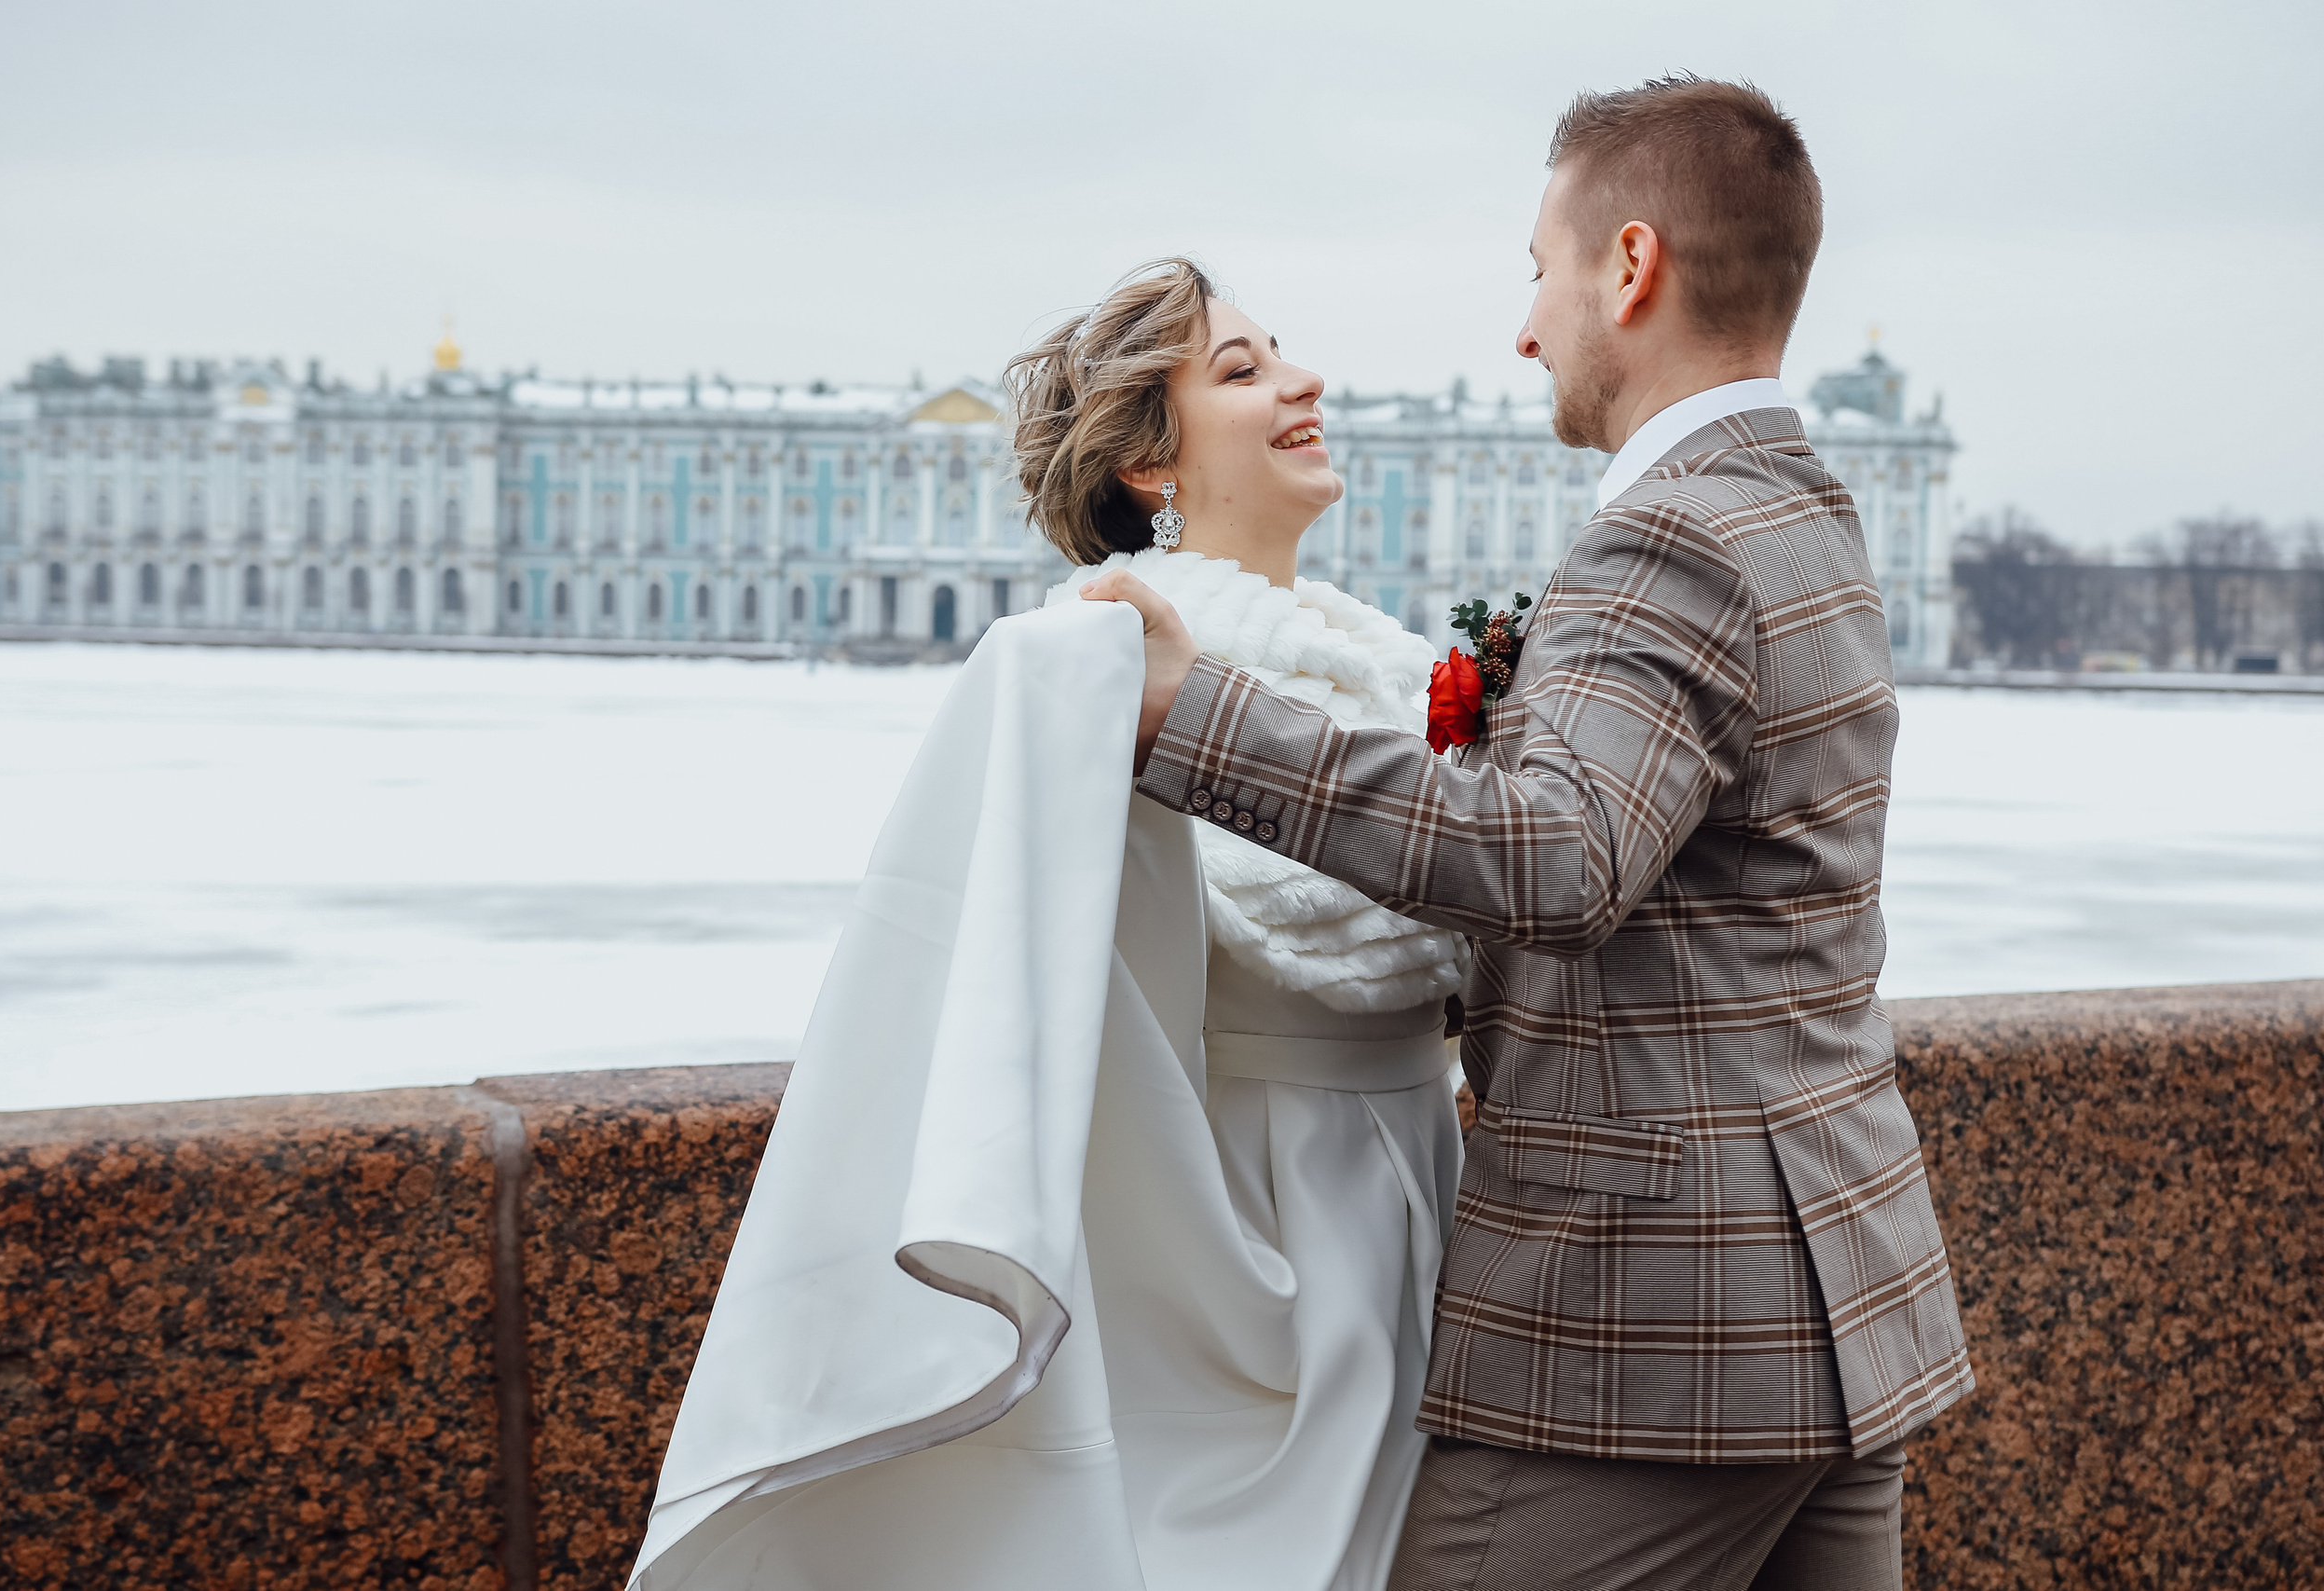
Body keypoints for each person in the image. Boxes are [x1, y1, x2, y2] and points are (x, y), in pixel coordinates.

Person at [1085, 77, 1974, 1591]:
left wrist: (1192, 717)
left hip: (1649, 1338)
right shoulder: (1801, 507)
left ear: (1628, 270)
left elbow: (1555, 860)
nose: (1525, 328)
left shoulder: (1670, 533)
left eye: (1539, 272)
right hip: (1840, 1293)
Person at [624, 258, 1470, 1591]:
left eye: (1283, 354)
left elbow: (1472, 885)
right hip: (1251, 1228)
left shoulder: (1397, 673)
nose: (1304, 382)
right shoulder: (1102, 667)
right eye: (1240, 371)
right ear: (1149, 462)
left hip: (1424, 1197)